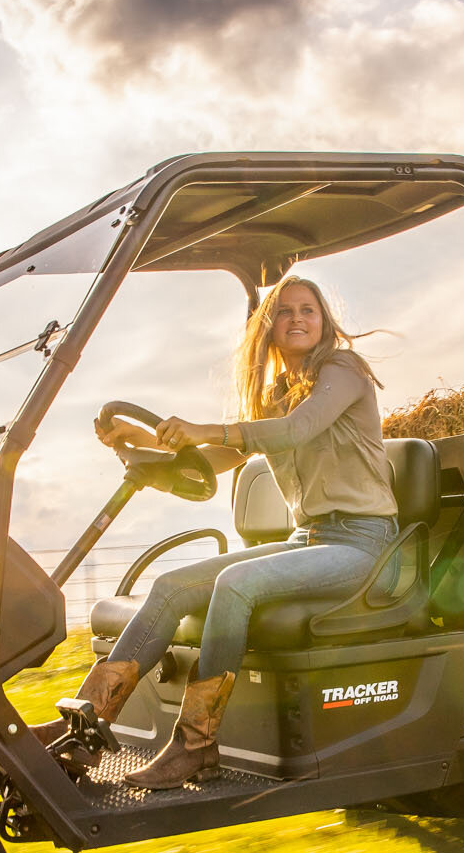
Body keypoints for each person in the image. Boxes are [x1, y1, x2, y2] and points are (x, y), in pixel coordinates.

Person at [43, 274, 399, 789]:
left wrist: (203, 427)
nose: (297, 318)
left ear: (324, 322)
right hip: (311, 540)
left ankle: (195, 746)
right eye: (285, 311)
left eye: (308, 309)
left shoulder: (344, 370)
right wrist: (146, 447)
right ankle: (83, 726)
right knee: (171, 587)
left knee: (238, 584)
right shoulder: (277, 396)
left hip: (365, 545)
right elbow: (220, 459)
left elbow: (296, 430)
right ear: (269, 327)